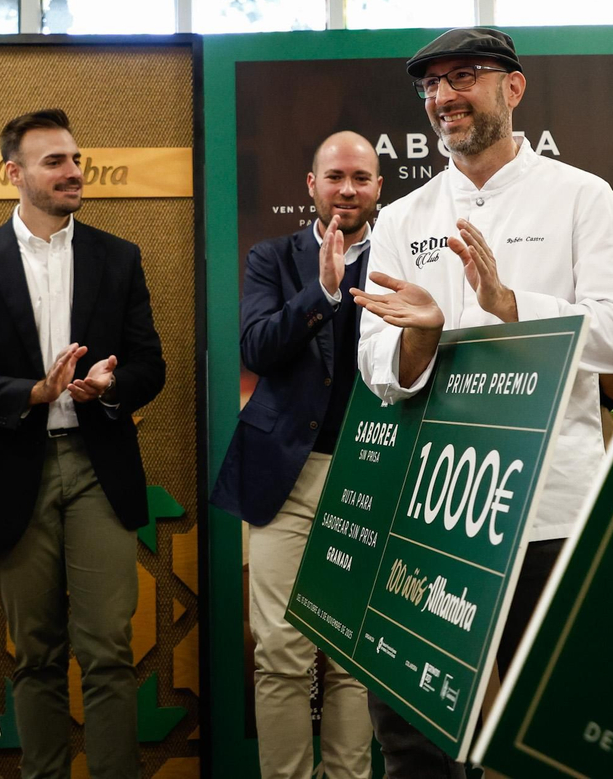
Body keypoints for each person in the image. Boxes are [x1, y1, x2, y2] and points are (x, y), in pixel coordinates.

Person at [350, 28, 613, 776]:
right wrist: (420, 338)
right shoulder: (403, 217)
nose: (443, 96)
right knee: (415, 740)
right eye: (431, 85)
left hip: (548, 513)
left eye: (464, 77)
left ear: (513, 88)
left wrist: (512, 306)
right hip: (430, 517)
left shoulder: (581, 195)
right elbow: (377, 368)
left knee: (549, 734)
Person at [0, 108, 165, 779]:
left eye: (76, 159)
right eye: (55, 161)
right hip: (10, 470)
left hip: (97, 467)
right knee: (35, 654)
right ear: (14, 173)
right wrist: (31, 392)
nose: (73, 171)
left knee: (110, 649)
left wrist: (109, 387)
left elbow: (150, 365)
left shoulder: (118, 257)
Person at [211, 131, 382, 779]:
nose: (347, 189)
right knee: (281, 650)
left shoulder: (401, 255)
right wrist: (324, 293)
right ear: (311, 185)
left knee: (351, 657)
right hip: (284, 476)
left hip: (371, 475)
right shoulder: (272, 257)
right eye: (335, 176)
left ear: (378, 187)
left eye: (360, 177)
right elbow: (256, 347)